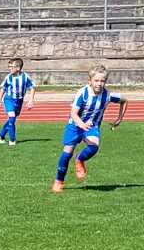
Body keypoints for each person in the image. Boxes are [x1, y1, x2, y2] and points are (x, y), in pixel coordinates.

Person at [52, 65, 128, 193]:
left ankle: (80, 159)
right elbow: (73, 113)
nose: (99, 84)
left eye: (102, 81)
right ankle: (59, 181)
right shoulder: (82, 93)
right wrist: (81, 124)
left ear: (106, 81)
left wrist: (119, 119)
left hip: (91, 126)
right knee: (66, 154)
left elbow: (124, 101)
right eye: (96, 80)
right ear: (90, 80)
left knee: (94, 147)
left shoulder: (108, 95)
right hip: (75, 125)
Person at [0, 58, 36, 146]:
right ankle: (12, 139)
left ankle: (1, 134)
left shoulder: (25, 77)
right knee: (12, 117)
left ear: (18, 67)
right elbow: (3, 88)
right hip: (9, 99)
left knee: (12, 119)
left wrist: (31, 100)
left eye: (11, 67)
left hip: (19, 101)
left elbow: (32, 87)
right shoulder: (8, 77)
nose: (9, 68)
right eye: (9, 67)